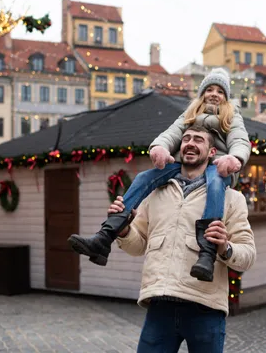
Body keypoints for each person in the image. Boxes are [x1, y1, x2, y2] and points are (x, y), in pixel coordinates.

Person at [68, 68, 251, 282]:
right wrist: (160, 147)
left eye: (220, 91)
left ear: (226, 97)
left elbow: (240, 140)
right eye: (209, 89)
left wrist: (235, 159)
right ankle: (105, 236)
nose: (214, 94)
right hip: (186, 163)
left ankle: (207, 252)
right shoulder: (190, 115)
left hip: (219, 166)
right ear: (201, 94)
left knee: (216, 184)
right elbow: (171, 134)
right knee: (145, 177)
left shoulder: (231, 116)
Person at [107, 124, 256, 352]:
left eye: (199, 140)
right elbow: (138, 246)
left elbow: (248, 256)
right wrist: (125, 230)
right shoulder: (156, 192)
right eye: (186, 138)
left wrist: (225, 248)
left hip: (205, 308)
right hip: (160, 305)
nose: (190, 143)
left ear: (212, 152)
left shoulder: (231, 198)